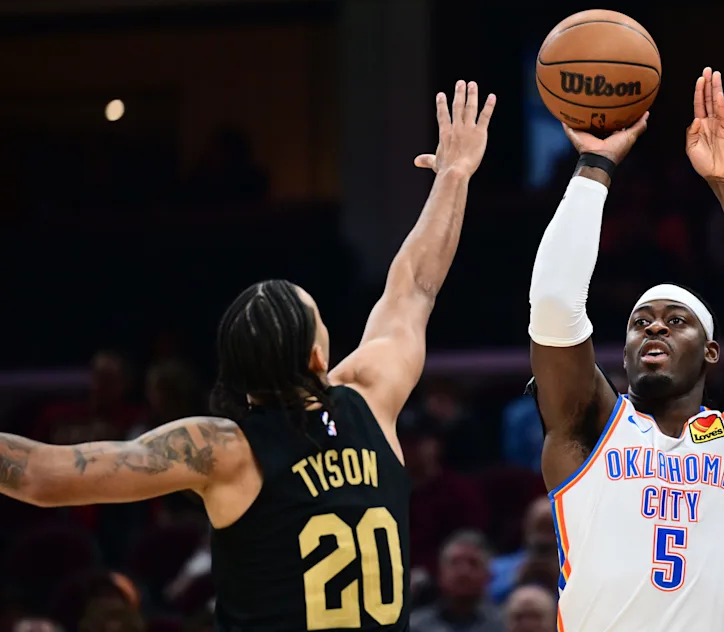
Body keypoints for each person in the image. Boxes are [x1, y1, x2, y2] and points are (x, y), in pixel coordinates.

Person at [0, 80, 496, 631]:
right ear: (315, 357)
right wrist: (453, 177)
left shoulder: (222, 451)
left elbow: (43, 476)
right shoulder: (372, 397)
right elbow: (415, 287)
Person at [526, 67, 724, 632]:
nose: (652, 329)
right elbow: (555, 306)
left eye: (675, 321)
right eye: (639, 323)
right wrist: (594, 167)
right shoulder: (589, 425)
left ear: (709, 351)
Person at [409, 530, 504, 632]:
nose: (463, 572)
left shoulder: (503, 625)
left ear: (488, 574)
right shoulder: (415, 626)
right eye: (455, 563)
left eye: (473, 563)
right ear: (440, 572)